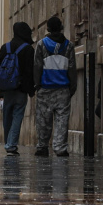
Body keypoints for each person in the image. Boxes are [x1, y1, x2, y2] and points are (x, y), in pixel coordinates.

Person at [33, 16, 77, 157]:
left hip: (45, 87)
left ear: (48, 29)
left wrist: (37, 84)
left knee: (43, 119)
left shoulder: (41, 44)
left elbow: (37, 66)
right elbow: (72, 68)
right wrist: (72, 86)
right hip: (63, 88)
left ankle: (42, 146)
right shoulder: (69, 46)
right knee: (62, 120)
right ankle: (60, 147)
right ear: (61, 28)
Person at [0, 22, 36, 155]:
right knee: (18, 116)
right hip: (21, 88)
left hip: (7, 89)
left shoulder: (5, 47)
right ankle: (11, 144)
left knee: (7, 116)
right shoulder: (28, 49)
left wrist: (0, 90)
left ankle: (9, 141)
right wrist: (31, 89)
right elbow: (30, 71)